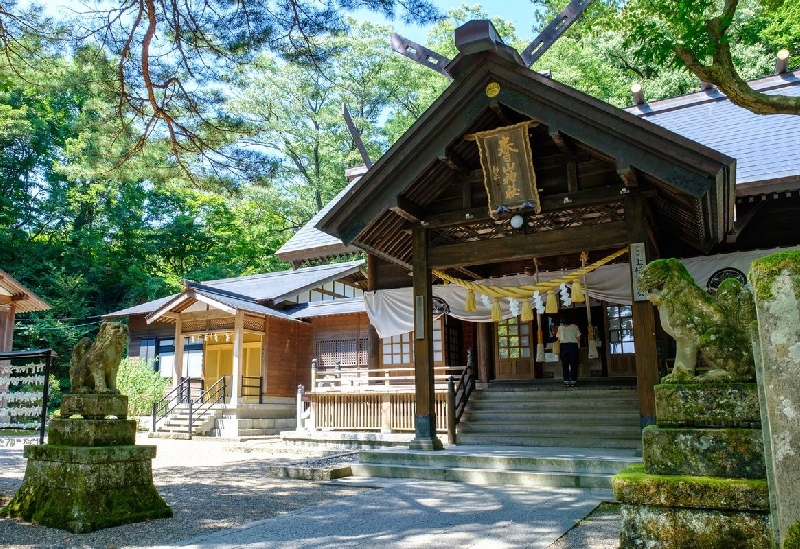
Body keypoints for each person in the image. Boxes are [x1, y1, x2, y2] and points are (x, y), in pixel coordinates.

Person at [556, 315, 581, 387]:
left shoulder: (560, 328)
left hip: (564, 347)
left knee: (565, 365)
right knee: (574, 364)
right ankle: (573, 381)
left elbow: (558, 338)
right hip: (573, 346)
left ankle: (566, 381)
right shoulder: (575, 327)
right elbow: (579, 338)